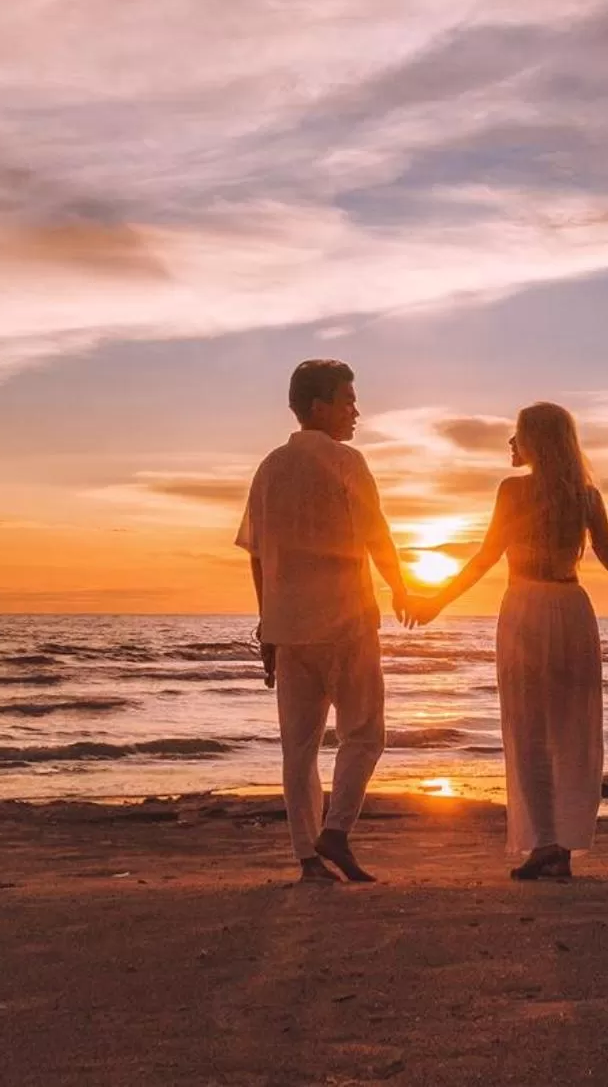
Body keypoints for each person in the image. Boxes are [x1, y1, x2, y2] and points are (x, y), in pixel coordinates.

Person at [408, 402, 608, 880]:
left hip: (525, 608)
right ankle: (558, 846)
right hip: (573, 611)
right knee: (571, 730)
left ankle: (546, 843)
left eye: (517, 435)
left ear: (535, 441)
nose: (511, 444)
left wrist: (437, 600)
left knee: (528, 730)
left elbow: (483, 559)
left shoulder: (515, 491)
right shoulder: (586, 496)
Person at [237, 360, 412, 883]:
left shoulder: (270, 467)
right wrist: (401, 587)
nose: (355, 410)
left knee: (300, 748)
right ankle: (335, 831)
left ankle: (307, 859)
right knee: (364, 734)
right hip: (346, 621)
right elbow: (376, 536)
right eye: (347, 399)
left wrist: (267, 625)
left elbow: (258, 557)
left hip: (288, 627)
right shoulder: (347, 462)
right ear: (319, 406)